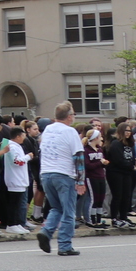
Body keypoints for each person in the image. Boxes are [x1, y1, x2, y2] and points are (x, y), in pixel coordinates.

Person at [37, 102, 86, 256]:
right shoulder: (70, 132)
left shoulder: (47, 130)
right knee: (68, 211)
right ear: (69, 116)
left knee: (56, 207)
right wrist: (80, 180)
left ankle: (46, 231)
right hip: (64, 174)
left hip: (46, 173)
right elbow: (78, 157)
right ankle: (65, 245)